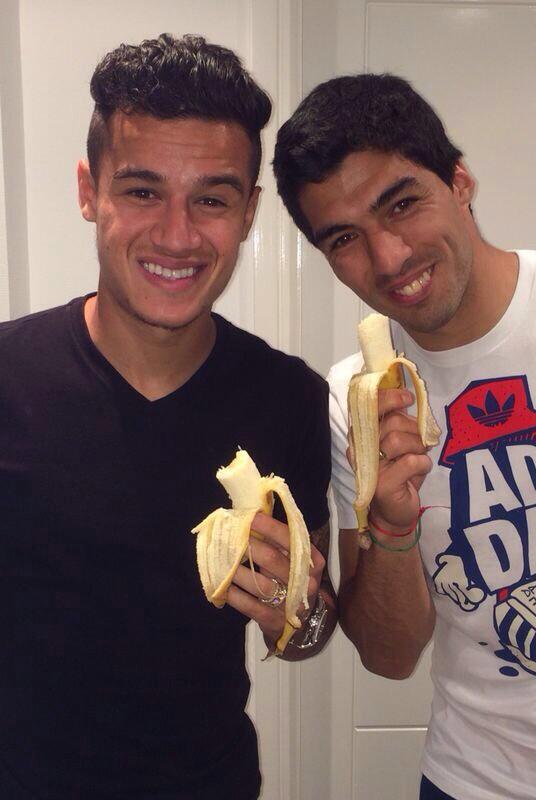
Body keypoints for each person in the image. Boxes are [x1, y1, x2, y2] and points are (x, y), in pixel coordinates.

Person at [0, 33, 336, 799]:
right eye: (142, 191)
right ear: (88, 191)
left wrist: (296, 610)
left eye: (211, 199)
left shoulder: (289, 397)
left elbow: (306, 634)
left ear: (248, 213)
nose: (178, 235)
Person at [273, 73, 536, 800]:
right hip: (477, 779)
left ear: (460, 181)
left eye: (402, 204)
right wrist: (392, 528)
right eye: (345, 239)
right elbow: (390, 658)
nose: (389, 259)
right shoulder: (354, 400)